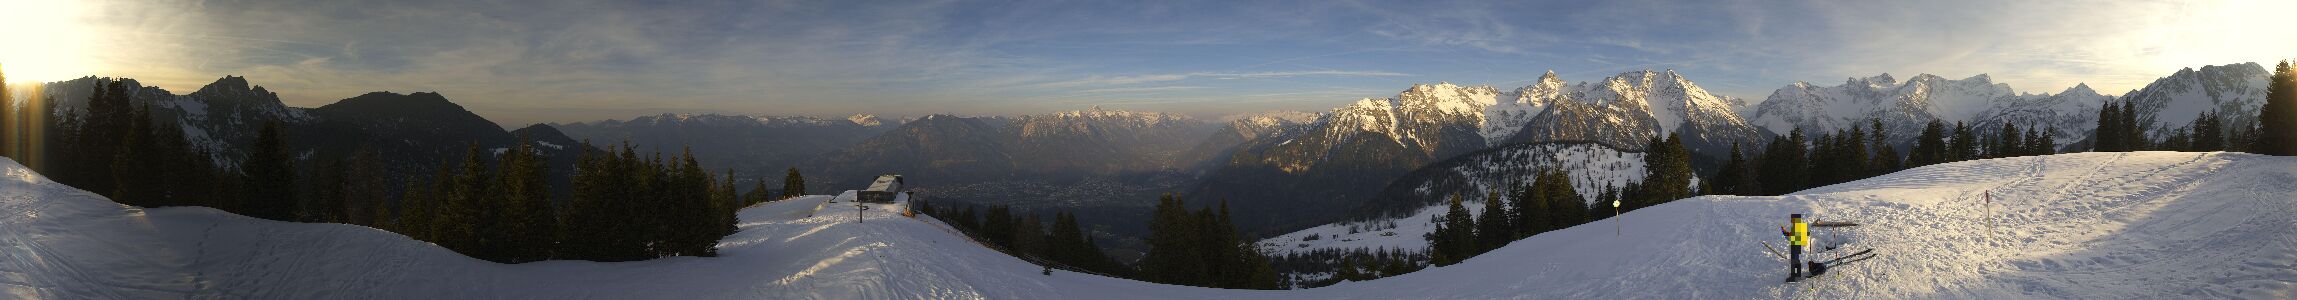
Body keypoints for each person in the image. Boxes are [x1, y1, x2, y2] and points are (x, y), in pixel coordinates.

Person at [1780, 213, 1810, 282]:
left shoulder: (1798, 228)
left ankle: (1793, 276)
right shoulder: (1800, 227)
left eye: (1793, 220)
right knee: (1796, 259)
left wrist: (1783, 231)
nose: (1792, 221)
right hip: (1797, 245)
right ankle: (1798, 274)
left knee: (1793, 260)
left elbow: (1790, 237)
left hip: (1795, 245)